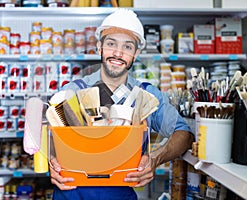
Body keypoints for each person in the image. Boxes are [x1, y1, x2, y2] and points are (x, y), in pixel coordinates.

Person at [49, 9, 195, 200]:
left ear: (136, 54)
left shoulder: (147, 95)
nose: (118, 53)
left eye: (127, 47)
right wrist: (52, 162)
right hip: (71, 191)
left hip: (121, 193)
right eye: (111, 44)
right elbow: (51, 139)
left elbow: (184, 134)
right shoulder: (72, 92)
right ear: (99, 47)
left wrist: (155, 159)